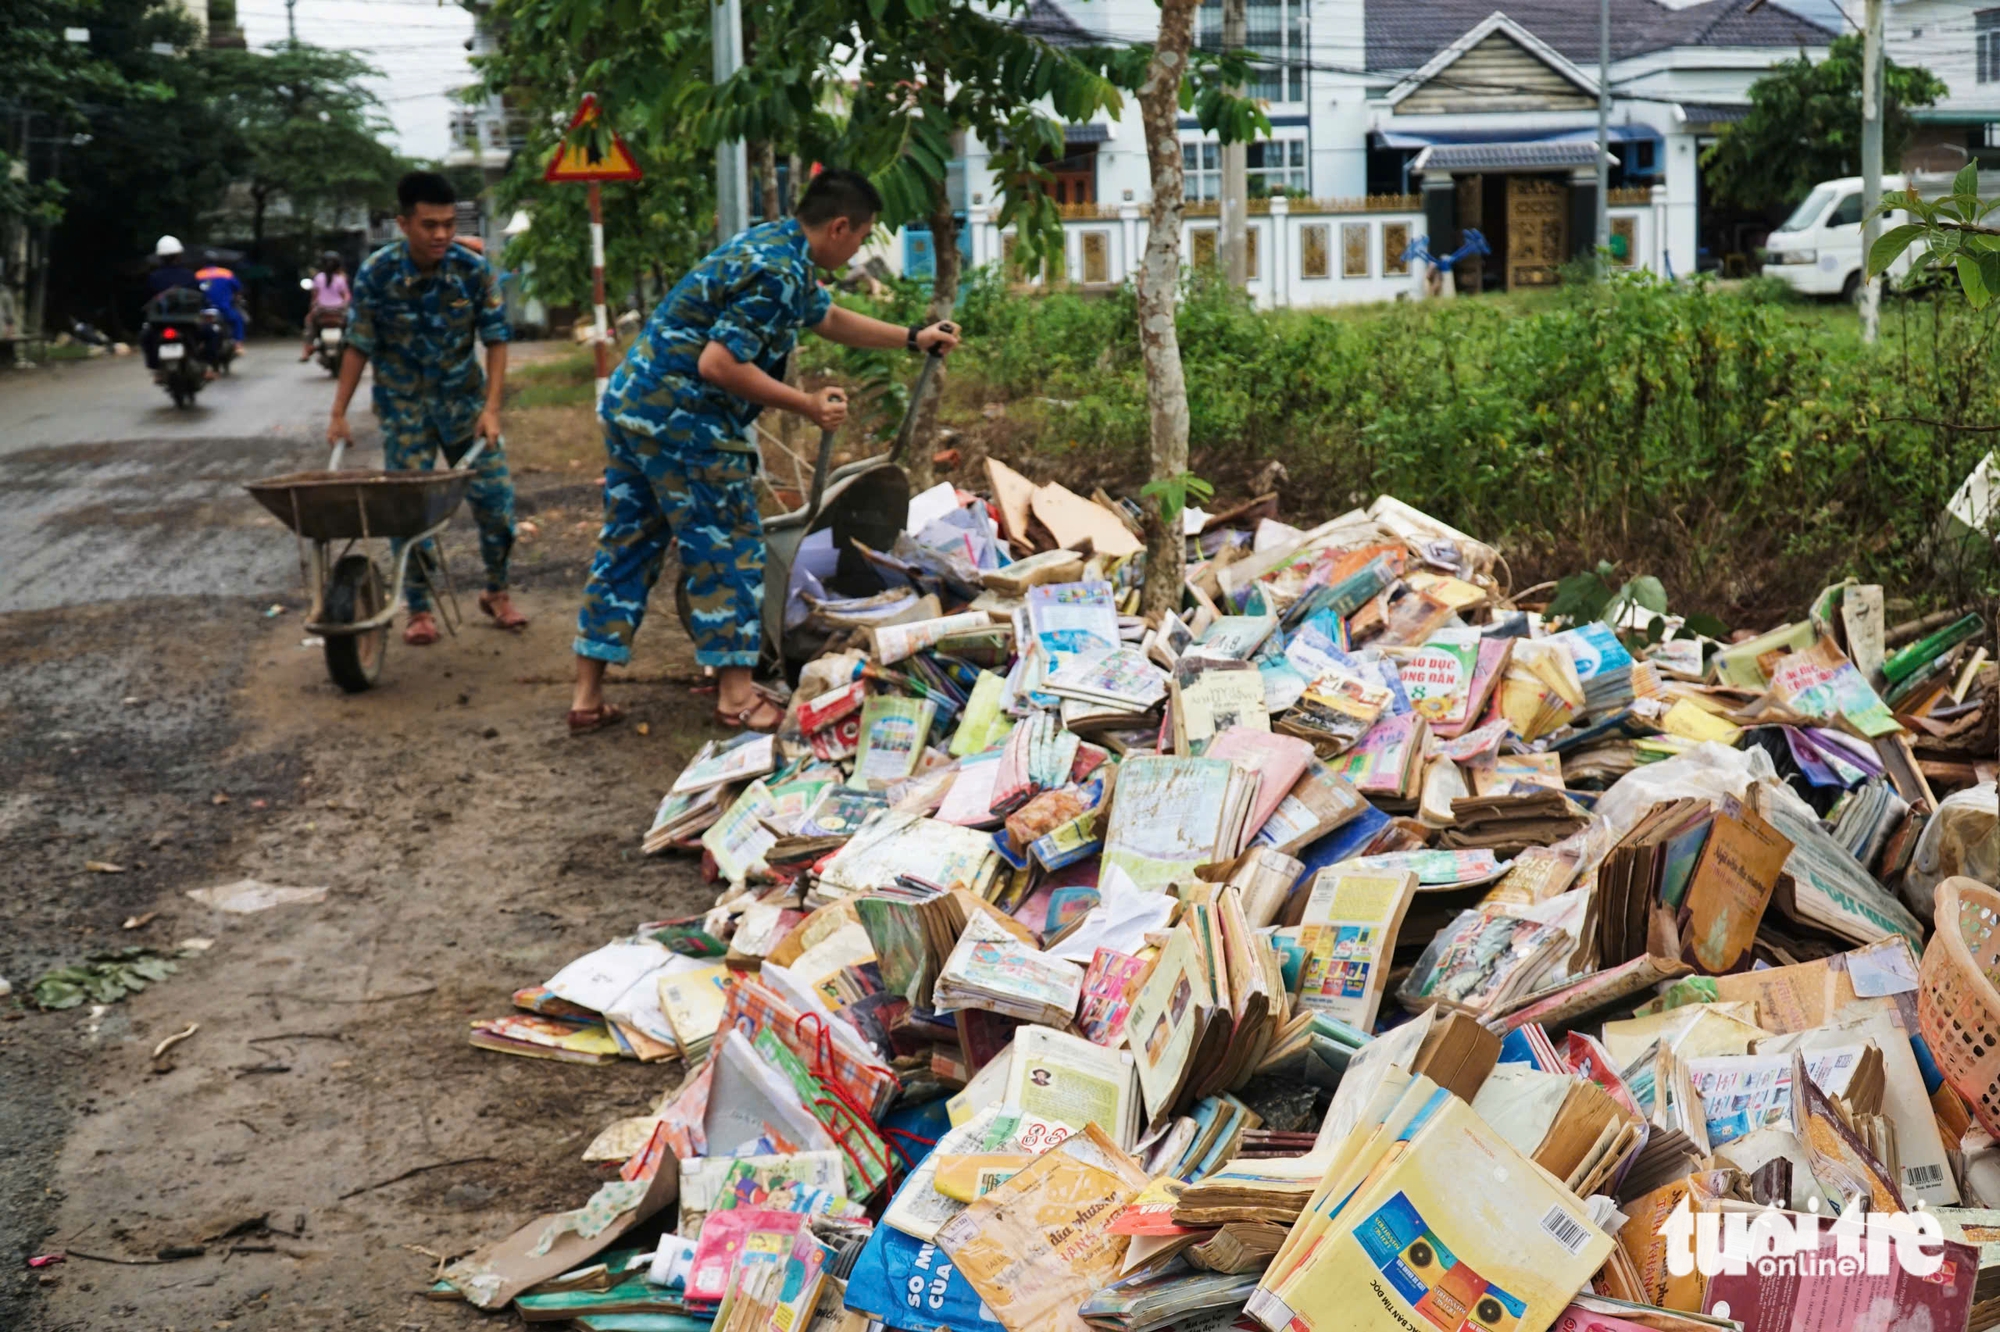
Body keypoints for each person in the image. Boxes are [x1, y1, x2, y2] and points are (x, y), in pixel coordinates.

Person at [566, 168, 960, 735]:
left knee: (628, 546)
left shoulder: (774, 246)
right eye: (860, 237)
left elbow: (824, 316)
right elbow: (718, 364)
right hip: (687, 422)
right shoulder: (777, 269)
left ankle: (586, 696)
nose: (855, 253)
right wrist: (805, 404)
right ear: (841, 227)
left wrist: (910, 337)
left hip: (636, 410)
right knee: (730, 549)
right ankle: (735, 698)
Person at [327, 170, 526, 646]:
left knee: (497, 507)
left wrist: (492, 408)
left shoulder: (473, 271)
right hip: (405, 410)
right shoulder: (376, 273)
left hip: (465, 407)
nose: (440, 235)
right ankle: (418, 608)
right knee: (409, 512)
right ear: (403, 223)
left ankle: (496, 591)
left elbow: (496, 341)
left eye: (447, 224)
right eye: (428, 225)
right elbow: (357, 344)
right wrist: (338, 413)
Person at [141, 235, 222, 371]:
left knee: (145, 337)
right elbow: (200, 298)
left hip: (160, 324)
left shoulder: (153, 277)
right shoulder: (188, 275)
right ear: (179, 255)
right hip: (188, 324)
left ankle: (156, 370)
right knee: (212, 333)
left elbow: (146, 301)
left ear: (159, 257)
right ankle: (209, 368)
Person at [301, 251, 351, 361]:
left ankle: (306, 350)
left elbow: (314, 297)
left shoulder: (318, 277)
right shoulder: (341, 278)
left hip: (321, 311)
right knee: (351, 324)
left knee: (309, 322)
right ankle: (353, 348)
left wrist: (312, 309)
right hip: (339, 311)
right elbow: (346, 296)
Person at [195, 251, 246, 353]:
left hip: (204, 311)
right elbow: (238, 289)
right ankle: (238, 345)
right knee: (238, 320)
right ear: (216, 261)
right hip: (224, 309)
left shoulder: (197, 275)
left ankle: (200, 344)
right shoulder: (226, 273)